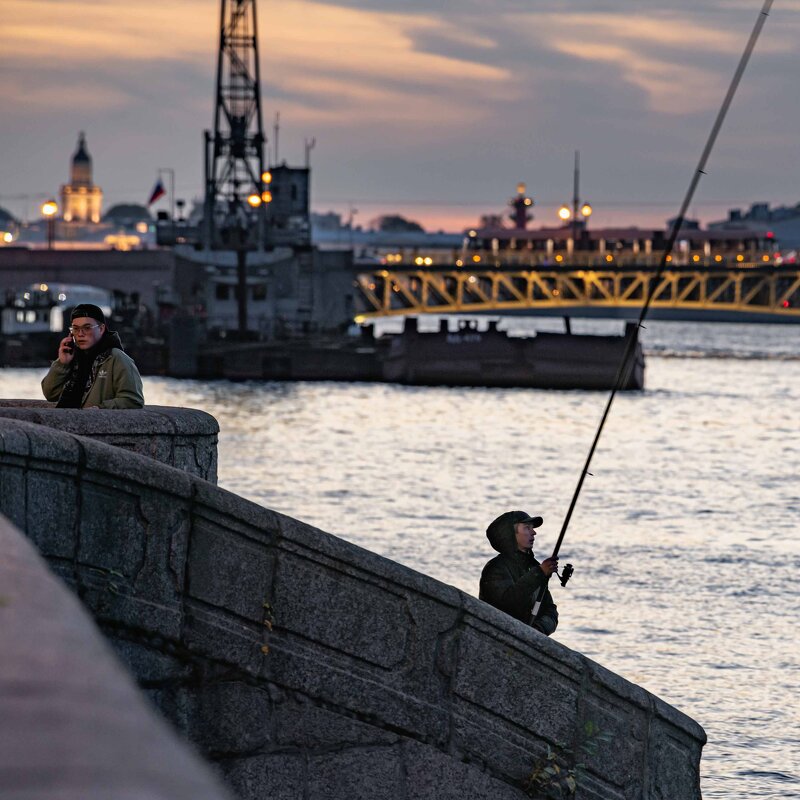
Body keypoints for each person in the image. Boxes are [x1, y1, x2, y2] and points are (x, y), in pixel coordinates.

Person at [41, 304, 145, 409]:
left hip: (93, 422)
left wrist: (99, 409)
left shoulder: (116, 358)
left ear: (101, 329)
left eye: (87, 328)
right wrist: (62, 364)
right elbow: (50, 394)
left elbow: (133, 400)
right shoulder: (73, 357)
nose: (80, 334)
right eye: (75, 329)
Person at [479, 510, 559, 635]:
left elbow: (550, 610)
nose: (533, 532)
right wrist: (539, 573)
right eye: (527, 528)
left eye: (532, 528)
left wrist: (537, 630)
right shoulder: (495, 568)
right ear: (511, 534)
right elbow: (507, 602)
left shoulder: (533, 567)